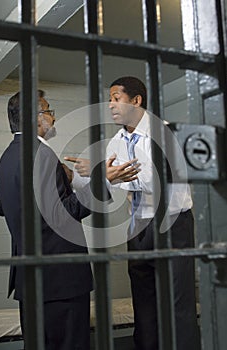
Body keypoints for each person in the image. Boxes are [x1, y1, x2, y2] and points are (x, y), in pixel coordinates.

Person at [66, 76, 200, 350]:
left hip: (172, 225)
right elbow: (105, 177)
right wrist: (69, 176)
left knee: (178, 303)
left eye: (116, 98)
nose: (110, 104)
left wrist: (106, 172)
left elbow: (155, 180)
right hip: (137, 228)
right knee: (144, 304)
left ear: (136, 101)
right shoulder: (117, 140)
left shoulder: (163, 133)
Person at [0, 90, 93, 350]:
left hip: (30, 280)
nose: (53, 118)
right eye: (48, 111)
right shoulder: (44, 156)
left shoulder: (6, 158)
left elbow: (1, 206)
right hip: (62, 280)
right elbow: (62, 215)